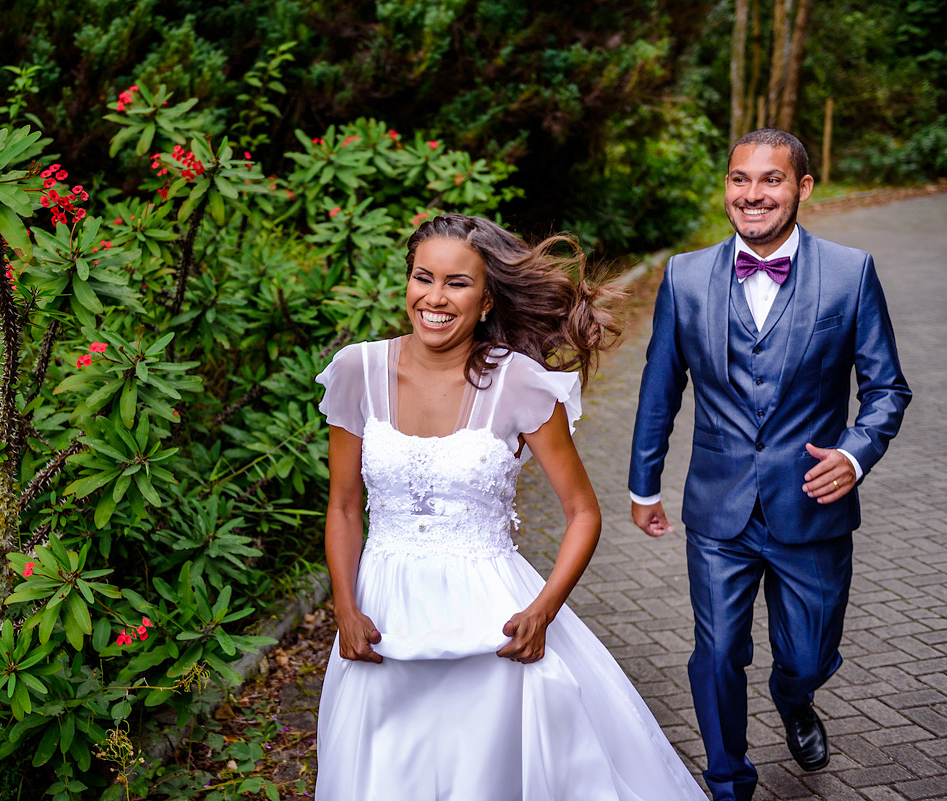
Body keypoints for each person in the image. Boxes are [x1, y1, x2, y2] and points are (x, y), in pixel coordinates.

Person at [314, 213, 707, 800]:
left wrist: (542, 611)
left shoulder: (520, 383)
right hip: (382, 615)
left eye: (458, 283)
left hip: (491, 618)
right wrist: (345, 607)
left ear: (489, 298)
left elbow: (582, 512)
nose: (435, 298)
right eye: (424, 278)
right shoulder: (357, 370)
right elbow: (344, 508)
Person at [628, 129, 912, 801]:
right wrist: (644, 482)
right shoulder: (685, 275)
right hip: (718, 508)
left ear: (802, 187)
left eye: (771, 180)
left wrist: (853, 452)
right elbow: (659, 386)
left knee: (807, 654)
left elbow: (888, 388)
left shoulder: (850, 272)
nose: (752, 194)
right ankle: (728, 779)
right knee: (717, 651)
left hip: (812, 504)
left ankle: (795, 695)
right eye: (739, 180)